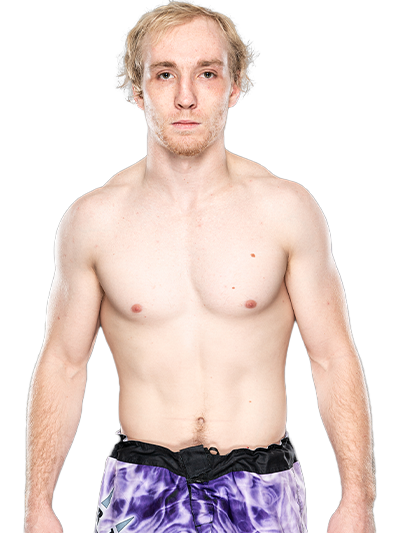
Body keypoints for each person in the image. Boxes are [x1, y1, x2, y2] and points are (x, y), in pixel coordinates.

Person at [24, 2, 376, 532]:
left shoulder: (286, 209)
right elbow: (63, 364)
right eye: (165, 74)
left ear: (234, 87)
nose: (185, 96)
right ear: (138, 90)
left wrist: (358, 500)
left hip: (262, 492)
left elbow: (332, 357)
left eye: (207, 74)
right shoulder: (93, 220)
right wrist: (37, 505)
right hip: (140, 491)